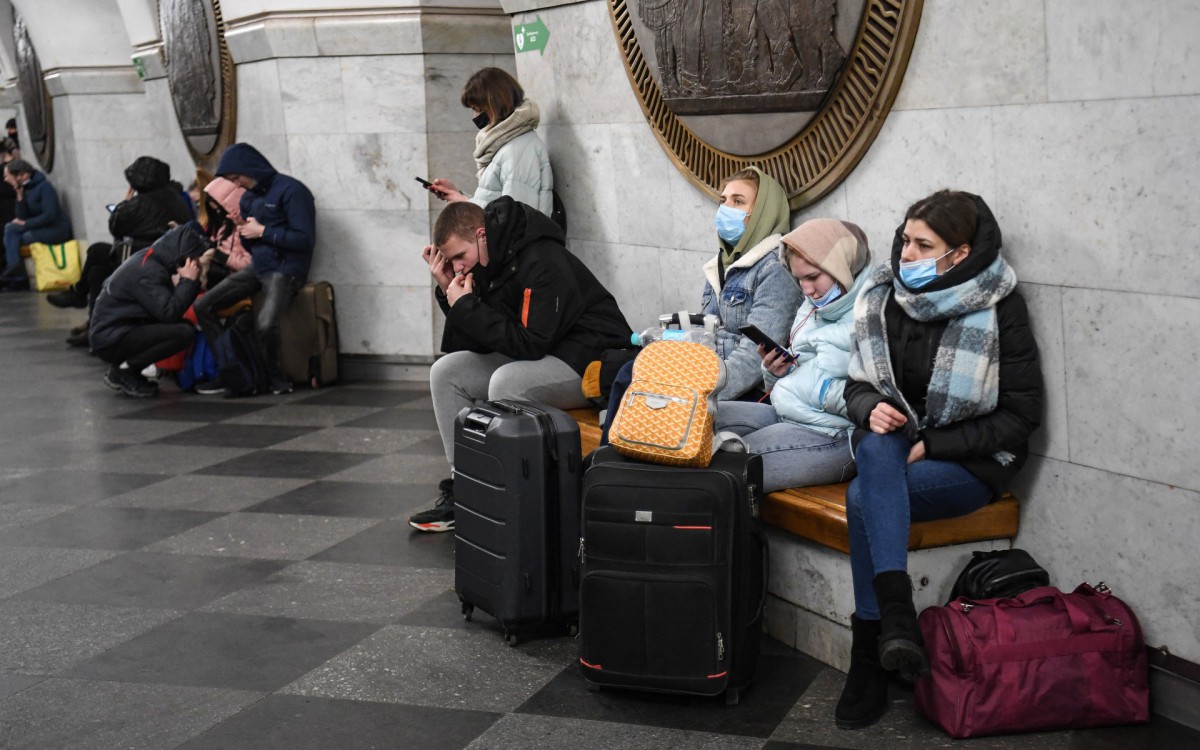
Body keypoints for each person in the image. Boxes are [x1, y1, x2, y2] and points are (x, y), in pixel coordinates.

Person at [834, 190, 1043, 730]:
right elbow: (854, 386)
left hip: (970, 461)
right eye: (905, 238)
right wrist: (869, 406)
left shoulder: (998, 305)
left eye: (923, 245)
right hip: (894, 450)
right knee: (877, 447)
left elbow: (1021, 416)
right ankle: (895, 621)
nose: (905, 253)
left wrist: (939, 444)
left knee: (863, 497)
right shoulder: (881, 294)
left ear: (960, 252)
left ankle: (872, 644)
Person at [408, 197, 633, 532]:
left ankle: (511, 492)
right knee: (447, 372)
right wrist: (449, 294)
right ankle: (467, 488)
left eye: (459, 256)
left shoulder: (541, 260)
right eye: (450, 262)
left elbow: (530, 342)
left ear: (482, 236)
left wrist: (468, 305)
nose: (457, 267)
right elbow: (476, 343)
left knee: (507, 382)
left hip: (590, 362)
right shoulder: (483, 263)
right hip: (544, 353)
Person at [599, 166, 801, 443]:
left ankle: (616, 464)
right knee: (631, 372)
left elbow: (754, 358)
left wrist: (700, 390)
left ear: (763, 212)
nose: (726, 208)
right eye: (723, 200)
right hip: (711, 373)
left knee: (647, 390)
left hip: (743, 388)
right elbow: (706, 334)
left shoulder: (774, 269)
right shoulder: (721, 263)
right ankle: (612, 461)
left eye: (738, 201)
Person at [713, 219, 871, 492]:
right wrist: (776, 372)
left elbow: (877, 399)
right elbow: (805, 370)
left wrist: (813, 390)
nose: (807, 290)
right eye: (799, 279)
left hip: (834, 434)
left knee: (727, 470)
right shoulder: (814, 305)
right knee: (694, 419)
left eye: (813, 277)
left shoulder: (875, 310)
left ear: (842, 267)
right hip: (788, 410)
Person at [192, 143, 316, 396]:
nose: (237, 185)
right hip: (259, 265)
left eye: (237, 178)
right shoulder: (249, 199)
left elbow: (304, 240)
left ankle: (275, 378)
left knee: (265, 323)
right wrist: (244, 230)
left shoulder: (292, 191)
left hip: (285, 268)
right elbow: (251, 245)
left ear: (250, 169)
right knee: (203, 307)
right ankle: (234, 372)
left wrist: (263, 231)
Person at [49, 156, 192, 347]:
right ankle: (90, 318)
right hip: (153, 258)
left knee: (98, 264)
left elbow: (116, 227)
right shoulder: (174, 197)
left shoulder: (140, 202)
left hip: (141, 261)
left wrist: (125, 202)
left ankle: (85, 306)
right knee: (98, 258)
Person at [89, 224, 215, 398]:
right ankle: (124, 371)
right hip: (111, 337)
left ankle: (127, 369)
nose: (196, 262)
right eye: (194, 257)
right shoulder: (149, 270)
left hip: (116, 330)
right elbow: (169, 312)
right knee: (182, 332)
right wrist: (189, 281)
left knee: (182, 327)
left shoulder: (151, 260)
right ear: (184, 255)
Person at [429, 67, 553, 217]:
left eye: (478, 109)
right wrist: (459, 197)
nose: (475, 116)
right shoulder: (504, 143)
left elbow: (513, 217)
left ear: (494, 106)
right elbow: (495, 202)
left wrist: (463, 201)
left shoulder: (517, 149)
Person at [0, 158, 72, 291]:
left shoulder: (44, 187)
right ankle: (14, 272)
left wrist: (26, 223)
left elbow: (50, 215)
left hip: (56, 229)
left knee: (21, 238)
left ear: (21, 175)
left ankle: (16, 275)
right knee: (10, 229)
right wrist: (19, 195)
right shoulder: (25, 188)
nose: (5, 180)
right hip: (40, 227)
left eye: (8, 176)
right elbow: (21, 216)